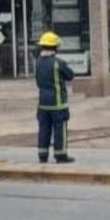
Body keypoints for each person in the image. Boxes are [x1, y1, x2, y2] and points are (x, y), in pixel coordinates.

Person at [35, 31, 75, 164]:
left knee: (44, 129)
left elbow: (37, 81)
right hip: (58, 104)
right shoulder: (59, 63)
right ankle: (60, 155)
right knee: (60, 129)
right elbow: (70, 76)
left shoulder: (38, 62)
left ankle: (42, 155)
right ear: (55, 47)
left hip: (42, 103)